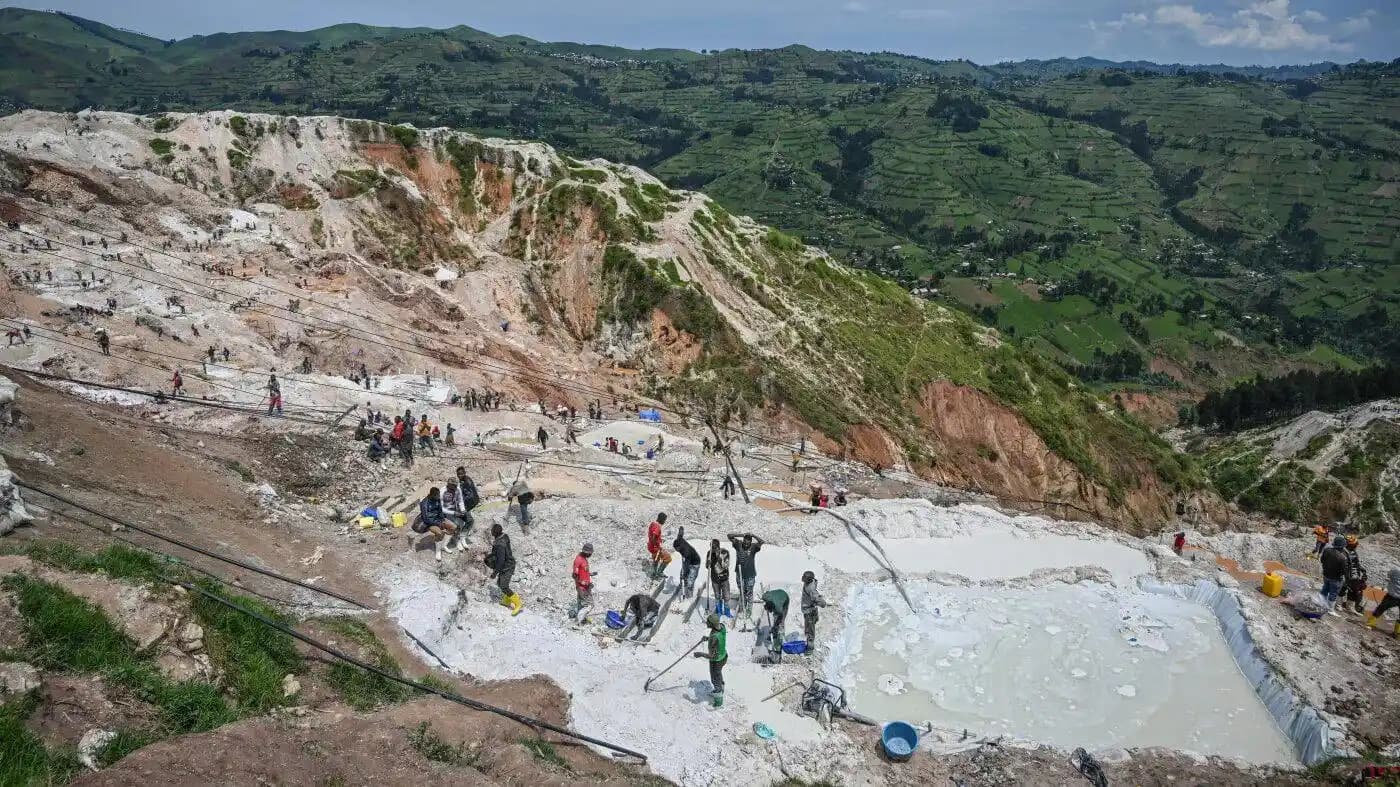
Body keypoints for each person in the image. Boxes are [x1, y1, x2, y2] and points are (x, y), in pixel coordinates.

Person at [413, 487, 460, 561]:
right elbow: (426, 518)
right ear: (432, 495)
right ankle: (438, 551)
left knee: (453, 527)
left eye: (439, 495)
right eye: (437, 495)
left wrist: (443, 519)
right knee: (439, 533)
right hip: (430, 523)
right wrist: (438, 524)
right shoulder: (424, 503)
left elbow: (440, 510)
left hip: (439, 519)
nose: (439, 497)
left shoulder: (437, 499)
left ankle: (443, 546)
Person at [485, 523, 521, 615]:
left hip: (507, 566)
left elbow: (501, 561)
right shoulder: (504, 536)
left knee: (504, 586)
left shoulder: (500, 545)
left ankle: (518, 603)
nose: (491, 532)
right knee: (500, 583)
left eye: (492, 531)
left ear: (495, 533)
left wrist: (494, 573)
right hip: (506, 564)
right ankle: (506, 600)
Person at [693, 612, 727, 707]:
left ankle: (718, 702)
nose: (706, 623)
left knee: (715, 679)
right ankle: (721, 687)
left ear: (712, 624)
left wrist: (700, 654)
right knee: (718, 674)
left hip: (716, 661)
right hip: (724, 656)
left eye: (708, 622)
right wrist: (708, 638)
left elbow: (712, 656)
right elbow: (717, 637)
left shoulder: (714, 638)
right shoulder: (722, 627)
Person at [727, 532, 764, 614]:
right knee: (741, 591)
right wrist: (741, 535)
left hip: (750, 575)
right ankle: (743, 605)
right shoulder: (738, 544)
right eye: (745, 542)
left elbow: (761, 542)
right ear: (743, 541)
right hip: (739, 573)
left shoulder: (754, 547)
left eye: (748, 542)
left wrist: (754, 535)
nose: (746, 544)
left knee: (749, 592)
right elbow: (729, 536)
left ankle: (749, 609)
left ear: (751, 542)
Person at [1365, 566, 1400, 637]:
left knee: (1381, 608)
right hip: (1394, 595)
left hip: (1392, 595)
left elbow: (1389, 575)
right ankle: (1398, 633)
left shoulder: (1395, 570)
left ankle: (1370, 624)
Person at [1319, 535, 1348, 615]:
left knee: (1325, 589)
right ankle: (1330, 610)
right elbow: (1343, 571)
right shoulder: (1342, 558)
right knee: (1333, 593)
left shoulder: (1326, 550)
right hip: (1336, 579)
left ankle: (1320, 603)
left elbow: (1322, 560)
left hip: (1326, 575)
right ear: (1342, 546)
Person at [1342, 535, 1368, 615]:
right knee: (1345, 589)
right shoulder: (1344, 552)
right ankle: (1341, 605)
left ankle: (1350, 606)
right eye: (1355, 544)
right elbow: (1344, 566)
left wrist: (1363, 571)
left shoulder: (1354, 552)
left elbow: (1356, 563)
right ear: (1351, 544)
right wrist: (1346, 577)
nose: (1357, 545)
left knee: (1357, 589)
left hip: (1355, 574)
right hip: (1348, 575)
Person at [801, 570, 828, 644]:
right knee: (810, 625)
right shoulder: (809, 583)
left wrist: (823, 603)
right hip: (809, 608)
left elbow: (816, 597)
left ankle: (810, 647)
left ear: (808, 579)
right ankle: (808, 635)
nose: (803, 579)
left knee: (810, 629)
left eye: (805, 578)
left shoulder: (810, 588)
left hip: (809, 610)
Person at [674, 527, 701, 599]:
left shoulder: (686, 552)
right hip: (687, 560)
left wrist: (684, 574)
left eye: (677, 549)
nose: (676, 551)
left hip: (694, 563)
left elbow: (686, 565)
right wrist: (681, 529)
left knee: (690, 581)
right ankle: (683, 589)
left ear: (679, 547)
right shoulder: (679, 540)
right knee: (682, 577)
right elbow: (680, 535)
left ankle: (690, 596)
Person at [761, 588, 790, 655]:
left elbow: (780, 616)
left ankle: (779, 644)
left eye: (771, 610)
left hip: (785, 599)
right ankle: (775, 637)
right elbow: (766, 593)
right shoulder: (766, 596)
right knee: (775, 619)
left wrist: (775, 626)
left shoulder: (778, 606)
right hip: (777, 595)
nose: (771, 612)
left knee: (779, 623)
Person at [572, 542, 595, 624]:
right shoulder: (578, 560)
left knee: (581, 604)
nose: (591, 555)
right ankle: (576, 622)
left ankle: (582, 619)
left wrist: (590, 574)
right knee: (589, 605)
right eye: (590, 553)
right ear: (586, 552)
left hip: (585, 586)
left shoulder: (584, 559)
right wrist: (582, 583)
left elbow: (583, 572)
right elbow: (575, 575)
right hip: (582, 587)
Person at [707, 538, 731, 612]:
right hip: (715, 579)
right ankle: (719, 610)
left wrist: (719, 558)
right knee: (717, 596)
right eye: (711, 547)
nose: (713, 549)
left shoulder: (725, 552)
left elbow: (725, 566)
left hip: (724, 578)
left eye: (714, 547)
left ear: (718, 546)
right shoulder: (709, 553)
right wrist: (708, 563)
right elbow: (707, 566)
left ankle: (727, 611)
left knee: (726, 596)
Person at [647, 513, 672, 579]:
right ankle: (659, 573)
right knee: (668, 558)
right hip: (655, 548)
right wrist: (658, 546)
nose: (664, 522)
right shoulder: (657, 527)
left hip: (650, 546)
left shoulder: (653, 523)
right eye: (664, 520)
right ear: (661, 519)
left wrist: (659, 539)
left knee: (656, 560)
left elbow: (652, 535)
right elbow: (653, 537)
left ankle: (654, 574)